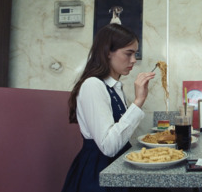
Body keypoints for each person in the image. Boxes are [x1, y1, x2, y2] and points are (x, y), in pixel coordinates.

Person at [61, 24, 156, 192]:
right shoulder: (92, 85)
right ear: (107, 52)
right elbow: (109, 146)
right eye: (128, 53)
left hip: (116, 166)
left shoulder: (114, 88)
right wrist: (139, 101)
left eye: (135, 53)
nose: (134, 60)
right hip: (98, 171)